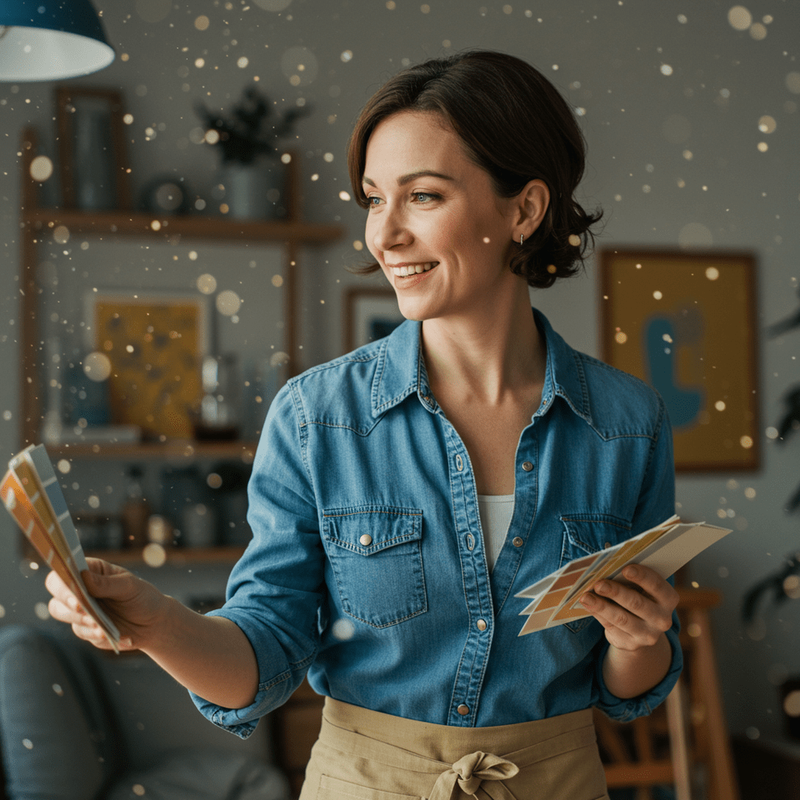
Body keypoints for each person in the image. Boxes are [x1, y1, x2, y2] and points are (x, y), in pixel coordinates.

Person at [47, 50, 682, 800]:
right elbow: (266, 650)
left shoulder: (628, 423)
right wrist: (156, 623)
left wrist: (639, 639)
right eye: (374, 199)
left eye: (423, 196)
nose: (385, 235)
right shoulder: (318, 417)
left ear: (525, 209)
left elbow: (626, 687)